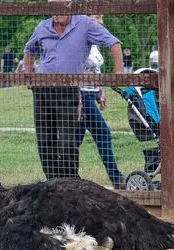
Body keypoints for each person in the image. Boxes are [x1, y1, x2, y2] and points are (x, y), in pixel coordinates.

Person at [23, 1, 123, 179]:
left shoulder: (84, 24)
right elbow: (29, 49)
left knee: (67, 143)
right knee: (45, 142)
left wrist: (118, 74)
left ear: (70, 6)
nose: (57, 14)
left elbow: (113, 43)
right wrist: (29, 76)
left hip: (68, 90)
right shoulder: (42, 27)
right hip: (42, 91)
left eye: (61, 8)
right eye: (54, 9)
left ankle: (70, 184)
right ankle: (52, 184)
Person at [78, 15, 125, 189]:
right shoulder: (79, 41)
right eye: (97, 17)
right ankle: (117, 179)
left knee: (75, 139)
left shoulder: (94, 43)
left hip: (90, 93)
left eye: (102, 17)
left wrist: (99, 92)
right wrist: (79, 97)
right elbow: (73, 69)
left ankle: (65, 176)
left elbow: (94, 70)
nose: (101, 21)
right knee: (103, 133)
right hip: (80, 95)